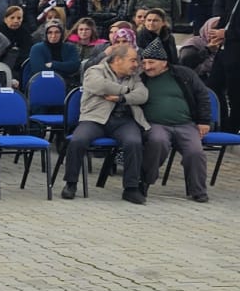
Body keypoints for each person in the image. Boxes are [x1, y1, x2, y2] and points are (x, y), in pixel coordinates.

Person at [63, 40, 149, 201]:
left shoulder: (134, 76)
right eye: (132, 60)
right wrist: (126, 90)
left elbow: (143, 95)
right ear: (118, 60)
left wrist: (122, 99)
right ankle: (71, 183)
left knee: (134, 142)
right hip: (95, 118)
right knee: (78, 140)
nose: (136, 64)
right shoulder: (95, 70)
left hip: (123, 120)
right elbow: (98, 85)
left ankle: (131, 188)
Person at [135, 42, 213, 202]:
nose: (147, 67)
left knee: (195, 152)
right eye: (144, 62)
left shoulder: (184, 74)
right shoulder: (141, 79)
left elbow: (202, 96)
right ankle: (144, 182)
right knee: (157, 142)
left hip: (186, 124)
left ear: (164, 62)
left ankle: (198, 190)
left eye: (151, 62)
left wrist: (204, 121)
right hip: (155, 124)